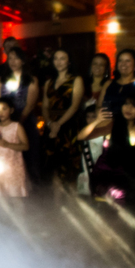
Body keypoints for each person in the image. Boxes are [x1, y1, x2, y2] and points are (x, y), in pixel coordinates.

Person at [78, 92, 135, 203]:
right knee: (124, 194)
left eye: (134, 105)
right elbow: (81, 136)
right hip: (108, 175)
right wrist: (97, 121)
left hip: (134, 177)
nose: (129, 108)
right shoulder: (113, 125)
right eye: (126, 104)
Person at [0, 47, 40, 183]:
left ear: (23, 61)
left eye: (16, 58)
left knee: (28, 152)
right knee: (5, 152)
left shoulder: (31, 80)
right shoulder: (0, 80)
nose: (12, 61)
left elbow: (30, 104)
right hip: (4, 120)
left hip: (24, 119)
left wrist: (18, 122)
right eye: (10, 58)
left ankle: (30, 182)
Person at [42, 49, 85, 186]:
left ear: (69, 61)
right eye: (56, 58)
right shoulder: (49, 82)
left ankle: (71, 202)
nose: (59, 62)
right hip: (51, 124)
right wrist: (49, 123)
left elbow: (74, 106)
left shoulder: (76, 80)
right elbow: (44, 106)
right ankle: (55, 202)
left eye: (62, 58)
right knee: (52, 166)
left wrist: (58, 124)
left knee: (69, 166)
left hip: (68, 124)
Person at [0, 96, 29, 198]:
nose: (0, 112)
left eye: (4, 109)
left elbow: (25, 146)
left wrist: (8, 144)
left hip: (13, 164)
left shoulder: (17, 126)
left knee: (14, 193)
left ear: (11, 110)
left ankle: (19, 213)